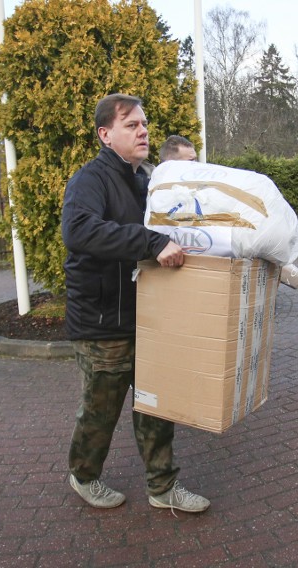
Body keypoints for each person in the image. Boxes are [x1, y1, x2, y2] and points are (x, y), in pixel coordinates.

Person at [61, 93, 209, 513]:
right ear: (106, 135)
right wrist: (152, 241)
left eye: (144, 124)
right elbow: (80, 232)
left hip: (148, 317)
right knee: (100, 412)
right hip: (103, 321)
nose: (143, 130)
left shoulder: (147, 182)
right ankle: (84, 475)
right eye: (131, 125)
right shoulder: (89, 180)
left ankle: (163, 487)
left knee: (156, 406)